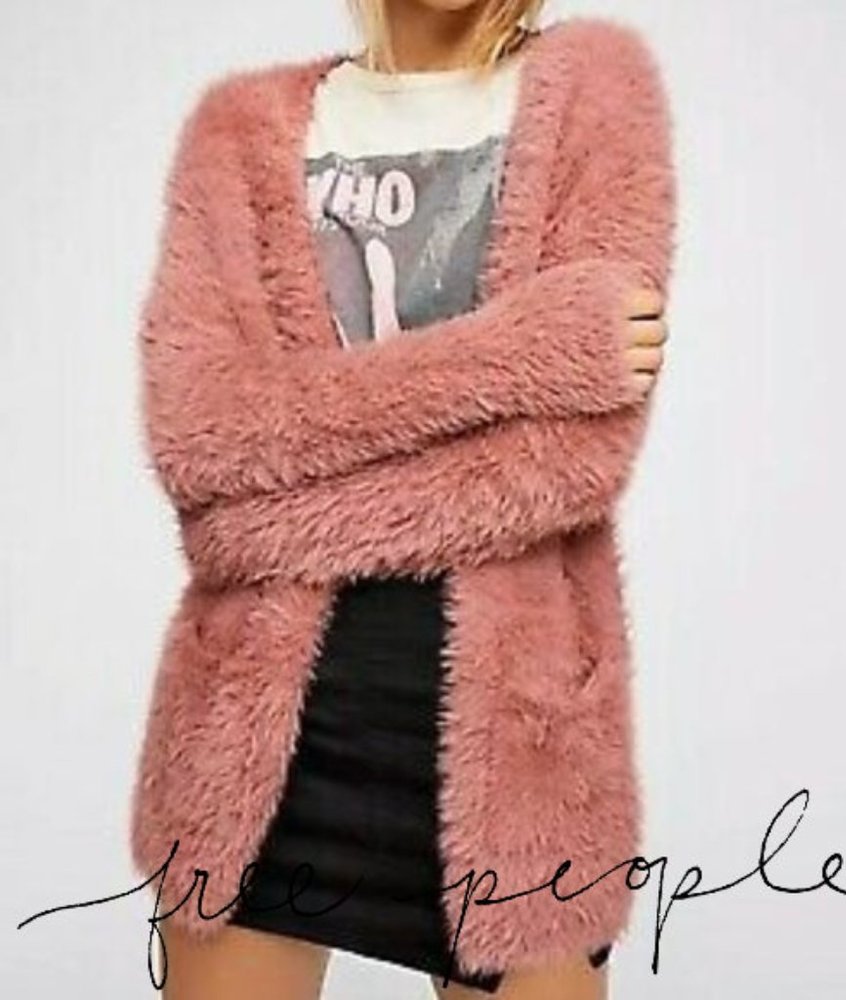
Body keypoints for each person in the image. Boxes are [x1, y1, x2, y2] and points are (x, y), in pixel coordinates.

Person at [143, 1, 671, 997]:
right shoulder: (237, 129)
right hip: (259, 755)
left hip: (520, 750)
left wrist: (279, 505)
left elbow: (571, 462)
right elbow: (200, 438)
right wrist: (525, 351)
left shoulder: (596, 89)